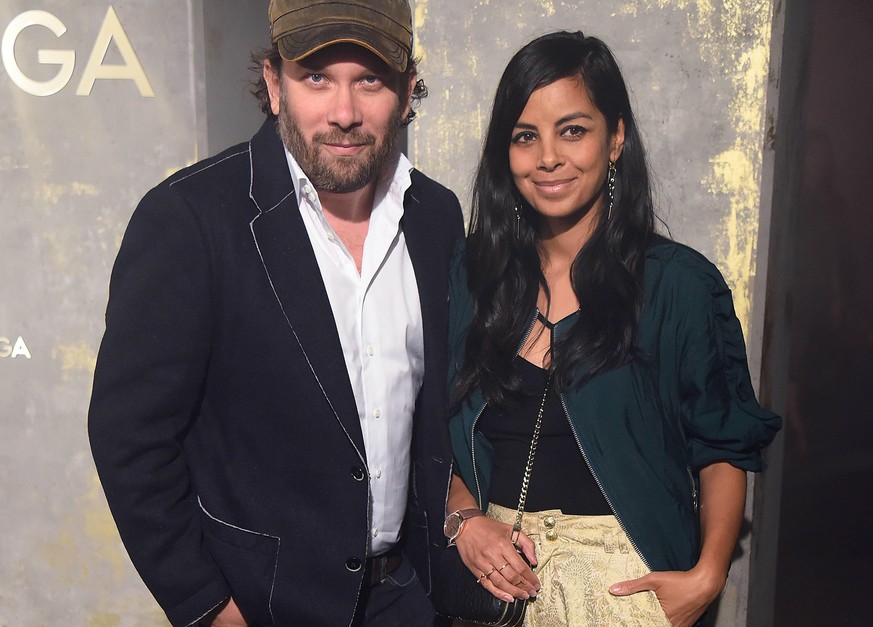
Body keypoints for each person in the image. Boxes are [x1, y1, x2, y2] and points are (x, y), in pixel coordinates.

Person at [88, 1, 463, 625]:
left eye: (369, 79)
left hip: (406, 596)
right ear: (272, 83)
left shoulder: (435, 216)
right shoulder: (190, 219)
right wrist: (209, 607)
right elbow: (129, 436)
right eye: (316, 77)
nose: (344, 114)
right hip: (260, 607)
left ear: (405, 88)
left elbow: (436, 417)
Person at [442, 31, 781, 627]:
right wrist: (464, 520)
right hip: (496, 594)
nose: (548, 156)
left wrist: (706, 577)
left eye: (573, 130)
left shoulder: (678, 286)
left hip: (625, 595)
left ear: (616, 137)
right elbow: (435, 427)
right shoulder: (475, 280)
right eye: (526, 136)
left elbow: (724, 443)